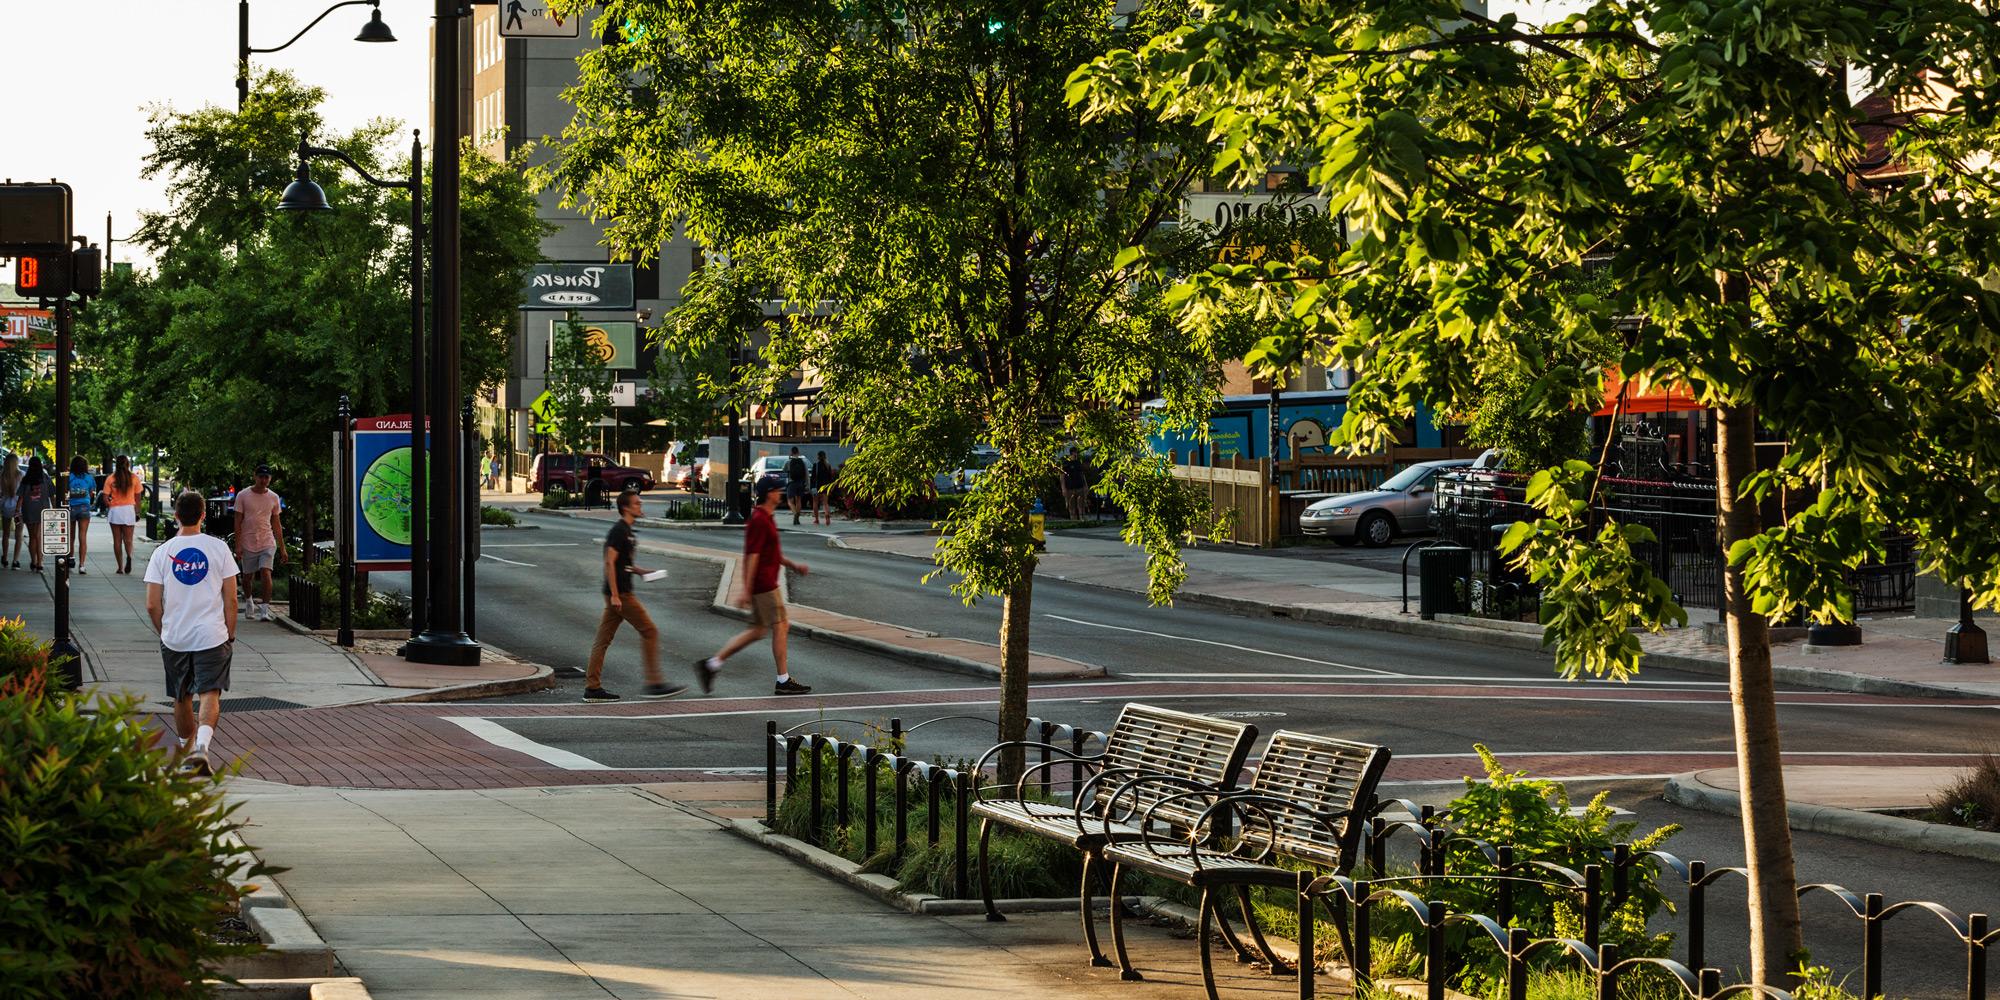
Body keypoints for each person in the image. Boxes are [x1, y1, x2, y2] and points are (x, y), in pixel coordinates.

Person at [144, 491, 240, 776]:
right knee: (210, 692)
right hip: (212, 635)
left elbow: (151, 604)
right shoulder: (218, 548)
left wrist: (165, 631)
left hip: (175, 637)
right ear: (203, 515)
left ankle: (187, 751)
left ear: (175, 516)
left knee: (181, 696)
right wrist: (230, 632)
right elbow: (232, 599)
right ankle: (202, 748)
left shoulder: (162, 553)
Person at [693, 475, 812, 696]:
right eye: (778, 490)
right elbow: (752, 557)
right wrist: (746, 590)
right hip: (764, 585)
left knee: (757, 631)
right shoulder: (759, 520)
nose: (781, 493)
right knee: (781, 626)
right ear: (769, 494)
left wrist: (793, 565)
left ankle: (712, 664)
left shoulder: (766, 517)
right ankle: (783, 679)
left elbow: (771, 553)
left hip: (766, 584)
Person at [581, 490, 688, 703]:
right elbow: (609, 562)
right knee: (650, 631)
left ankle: (592, 688)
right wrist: (614, 595)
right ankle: (654, 682)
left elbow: (623, 564)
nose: (640, 506)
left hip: (619, 593)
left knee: (603, 640)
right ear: (627, 508)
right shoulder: (619, 531)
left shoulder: (628, 532)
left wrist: (640, 571)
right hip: (621, 594)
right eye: (637, 503)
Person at [231, 465, 286, 621]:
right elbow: (237, 521)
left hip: (267, 540)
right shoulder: (243, 495)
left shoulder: (273, 497)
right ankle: (249, 601)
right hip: (248, 541)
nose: (263, 480)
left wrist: (282, 548)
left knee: (265, 571)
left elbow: (276, 523)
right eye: (261, 477)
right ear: (255, 477)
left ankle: (264, 610)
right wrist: (238, 544)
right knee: (247, 577)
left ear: (270, 479)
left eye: (266, 477)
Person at [104, 455, 143, 574]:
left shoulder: (111, 478)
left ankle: (120, 567)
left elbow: (105, 497)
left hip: (115, 511)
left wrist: (111, 505)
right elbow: (138, 497)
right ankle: (129, 556)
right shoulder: (134, 478)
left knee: (117, 540)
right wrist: (137, 511)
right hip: (128, 511)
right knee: (128, 539)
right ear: (128, 464)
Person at [61, 456, 94, 574]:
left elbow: (63, 490)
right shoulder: (89, 477)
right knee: (83, 536)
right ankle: (82, 565)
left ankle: (71, 559)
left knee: (71, 536)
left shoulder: (68, 476)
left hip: (71, 507)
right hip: (84, 506)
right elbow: (91, 493)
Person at [16, 456, 49, 572]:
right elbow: (52, 494)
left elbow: (20, 497)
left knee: (32, 537)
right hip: (42, 510)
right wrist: (55, 508)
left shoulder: (26, 479)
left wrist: (17, 511)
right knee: (38, 536)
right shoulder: (45, 477)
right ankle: (40, 563)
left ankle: (34, 562)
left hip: (28, 510)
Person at [0, 454, 20, 570]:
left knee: (6, 534)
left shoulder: (2, 475)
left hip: (6, 508)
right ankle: (15, 560)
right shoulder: (21, 475)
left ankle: (5, 557)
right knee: (18, 533)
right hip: (18, 509)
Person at [784, 446, 810, 525]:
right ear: (798, 452)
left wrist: (789, 458)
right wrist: (807, 485)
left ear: (791, 452)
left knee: (790, 501)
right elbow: (806, 474)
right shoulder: (803, 462)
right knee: (798, 500)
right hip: (801, 483)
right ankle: (797, 517)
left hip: (792, 483)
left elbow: (784, 469)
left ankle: (795, 513)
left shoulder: (789, 462)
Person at [1061, 446, 1088, 521]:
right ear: (1072, 453)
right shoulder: (1066, 463)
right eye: (1075, 453)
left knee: (1081, 503)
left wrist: (1085, 485)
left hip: (1080, 486)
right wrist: (1063, 488)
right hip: (1070, 487)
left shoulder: (1078, 462)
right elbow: (1062, 476)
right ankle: (1073, 519)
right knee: (1071, 505)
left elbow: (1082, 474)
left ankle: (1082, 518)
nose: (1076, 455)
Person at [811, 451, 835, 526]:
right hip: (825, 487)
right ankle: (827, 517)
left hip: (817, 486)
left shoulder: (816, 465)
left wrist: (811, 487)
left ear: (818, 457)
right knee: (825, 503)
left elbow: (813, 477)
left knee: (815, 502)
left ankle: (816, 519)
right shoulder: (828, 465)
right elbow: (830, 477)